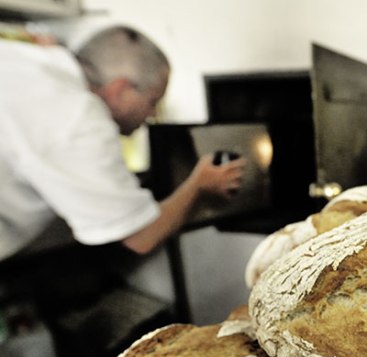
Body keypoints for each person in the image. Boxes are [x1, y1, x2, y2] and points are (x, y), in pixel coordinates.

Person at [0, 25, 245, 261]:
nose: (152, 115)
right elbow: (141, 237)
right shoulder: (76, 115)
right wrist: (199, 184)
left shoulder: (27, 60)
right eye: (152, 101)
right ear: (120, 88)